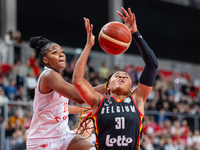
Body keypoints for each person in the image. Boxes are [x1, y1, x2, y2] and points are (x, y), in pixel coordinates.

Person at [73, 7, 158, 150]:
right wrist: (88, 46)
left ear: (132, 88)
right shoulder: (98, 102)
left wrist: (135, 33)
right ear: (108, 86)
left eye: (125, 76)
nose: (120, 76)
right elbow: (77, 80)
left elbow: (152, 64)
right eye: (116, 76)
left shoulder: (137, 99)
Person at [26, 36, 106, 150]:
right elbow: (79, 97)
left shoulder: (57, 78)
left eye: (62, 52)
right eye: (55, 52)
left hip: (63, 136)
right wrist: (107, 86)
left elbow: (60, 106)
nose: (61, 54)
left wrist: (81, 110)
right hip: (43, 140)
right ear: (45, 60)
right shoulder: (49, 75)